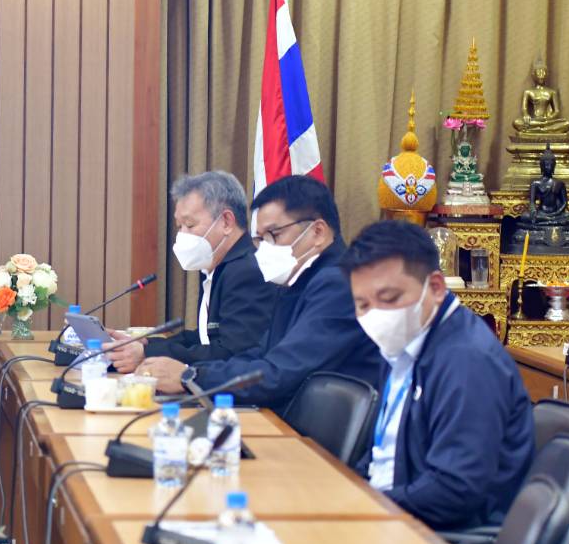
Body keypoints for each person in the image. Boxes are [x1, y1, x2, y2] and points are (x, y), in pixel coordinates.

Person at [343, 220, 534, 530]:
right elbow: (380, 453)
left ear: (435, 287)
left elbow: (454, 488)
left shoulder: (467, 361)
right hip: (393, 513)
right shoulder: (404, 341)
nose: (376, 315)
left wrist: (368, 506)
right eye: (363, 305)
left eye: (389, 299)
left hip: (440, 537)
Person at [137, 175, 383, 409]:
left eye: (274, 234)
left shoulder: (338, 283)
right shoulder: (300, 280)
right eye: (261, 239)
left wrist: (191, 377)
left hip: (313, 433)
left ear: (317, 232)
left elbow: (279, 373)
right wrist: (191, 374)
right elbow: (259, 355)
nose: (265, 249)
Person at [107, 171, 278, 372]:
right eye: (179, 226)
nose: (182, 235)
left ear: (226, 222)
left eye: (189, 225)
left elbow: (231, 352)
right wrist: (146, 343)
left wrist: (147, 354)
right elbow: (206, 337)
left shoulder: (247, 271)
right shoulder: (220, 266)